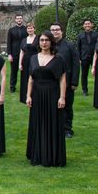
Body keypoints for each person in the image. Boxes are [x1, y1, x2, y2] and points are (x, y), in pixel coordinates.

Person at [25, 30, 67, 167]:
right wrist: (28, 95)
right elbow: (31, 79)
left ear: (51, 42)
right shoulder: (33, 58)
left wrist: (62, 97)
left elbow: (62, 79)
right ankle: (37, 153)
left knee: (52, 122)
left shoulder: (58, 58)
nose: (44, 43)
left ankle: (52, 155)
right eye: (42, 40)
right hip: (37, 94)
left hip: (52, 94)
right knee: (38, 122)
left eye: (47, 40)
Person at [50, 23, 79, 138]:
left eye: (57, 30)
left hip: (67, 82)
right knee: (53, 105)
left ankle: (67, 129)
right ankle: (54, 127)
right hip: (51, 82)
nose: (55, 32)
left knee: (67, 106)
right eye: (52, 30)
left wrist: (74, 82)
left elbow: (76, 64)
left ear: (62, 31)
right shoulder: (47, 45)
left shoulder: (70, 45)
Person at [6, 14, 27, 93]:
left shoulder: (26, 29)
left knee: (24, 71)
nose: (19, 20)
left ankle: (24, 87)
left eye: (20, 18)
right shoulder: (11, 30)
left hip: (25, 53)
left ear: (22, 19)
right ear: (15, 20)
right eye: (17, 18)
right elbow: (9, 43)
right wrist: (9, 54)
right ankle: (12, 87)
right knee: (13, 71)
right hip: (14, 54)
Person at [18, 22, 39, 104]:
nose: (30, 30)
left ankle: (34, 96)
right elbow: (21, 52)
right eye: (28, 28)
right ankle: (25, 97)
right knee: (25, 79)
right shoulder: (24, 40)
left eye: (31, 28)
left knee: (34, 78)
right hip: (25, 62)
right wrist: (20, 64)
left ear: (34, 29)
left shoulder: (38, 38)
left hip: (35, 61)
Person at [76, 19, 97, 96]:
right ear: (83, 26)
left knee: (96, 74)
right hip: (84, 57)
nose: (87, 25)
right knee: (84, 75)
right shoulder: (80, 35)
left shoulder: (96, 34)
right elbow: (78, 47)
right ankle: (85, 90)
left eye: (89, 23)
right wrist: (78, 58)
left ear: (92, 25)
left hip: (94, 57)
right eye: (86, 24)